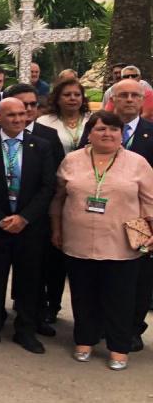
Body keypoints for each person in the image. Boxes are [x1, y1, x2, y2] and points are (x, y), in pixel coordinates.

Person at [52, 111, 153, 370]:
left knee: (120, 298)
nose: (107, 134)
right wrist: (56, 229)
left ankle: (119, 347)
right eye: (100, 129)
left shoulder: (138, 163)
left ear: (122, 134)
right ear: (90, 133)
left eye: (113, 129)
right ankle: (84, 340)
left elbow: (150, 202)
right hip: (79, 241)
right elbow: (58, 198)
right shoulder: (72, 161)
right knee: (83, 295)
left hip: (122, 244)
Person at [0, 97, 57, 353]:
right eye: (11, 115)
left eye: (22, 114)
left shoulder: (41, 146)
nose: (18, 119)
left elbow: (47, 186)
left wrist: (24, 218)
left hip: (29, 226)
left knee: (29, 279)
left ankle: (25, 330)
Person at [37, 75, 88, 155]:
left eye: (77, 95)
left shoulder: (92, 120)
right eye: (67, 95)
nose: (73, 98)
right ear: (57, 98)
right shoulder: (44, 122)